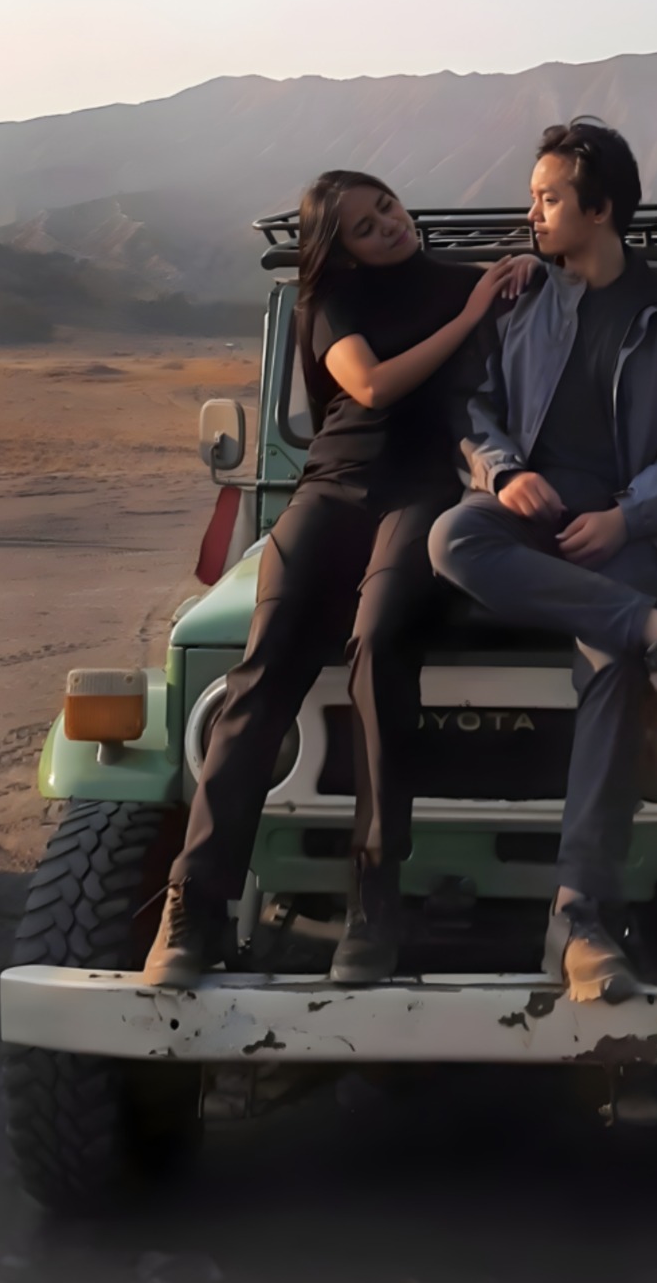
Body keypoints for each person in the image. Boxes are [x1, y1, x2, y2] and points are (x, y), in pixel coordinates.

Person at [144, 171, 534, 989]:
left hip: (422, 490)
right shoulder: (333, 301)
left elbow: (544, 307)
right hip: (332, 485)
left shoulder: (465, 281)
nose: (387, 224)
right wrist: (470, 315)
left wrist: (524, 271)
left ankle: (373, 902)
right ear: (342, 248)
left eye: (386, 206)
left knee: (380, 641)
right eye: (363, 225)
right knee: (264, 665)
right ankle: (193, 910)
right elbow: (372, 386)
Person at [429, 120, 657, 1004]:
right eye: (533, 197)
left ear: (599, 209)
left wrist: (626, 517)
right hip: (525, 513)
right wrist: (505, 472)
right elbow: (470, 405)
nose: (532, 213)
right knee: (452, 540)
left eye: (548, 198)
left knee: (608, 666)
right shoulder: (521, 297)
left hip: (627, 529)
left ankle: (582, 917)